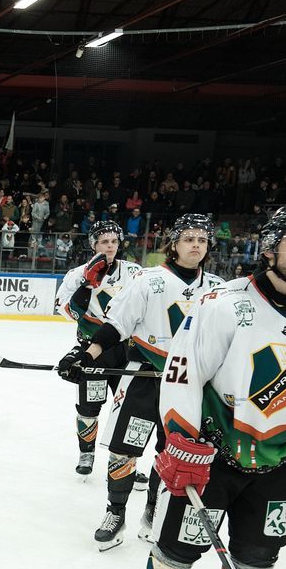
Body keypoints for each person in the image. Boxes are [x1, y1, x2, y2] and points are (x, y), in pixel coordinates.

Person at [132, 203, 286, 569]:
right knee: (178, 546)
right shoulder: (222, 303)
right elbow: (183, 373)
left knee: (259, 556)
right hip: (213, 455)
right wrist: (182, 443)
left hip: (278, 458)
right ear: (268, 249)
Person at [63, 215, 224, 551]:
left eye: (202, 240)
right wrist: (86, 355)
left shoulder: (217, 289)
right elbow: (116, 326)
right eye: (189, 239)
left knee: (170, 453)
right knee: (124, 449)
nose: (196, 245)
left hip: (189, 388)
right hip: (142, 377)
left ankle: (152, 511)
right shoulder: (149, 280)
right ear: (174, 244)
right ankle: (116, 512)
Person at [55, 220, 143, 476]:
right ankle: (87, 453)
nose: (110, 246)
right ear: (94, 245)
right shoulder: (77, 274)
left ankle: (126, 461)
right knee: (89, 408)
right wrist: (86, 286)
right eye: (104, 242)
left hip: (126, 352)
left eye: (114, 241)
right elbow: (66, 312)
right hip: (92, 351)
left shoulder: (135, 272)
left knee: (129, 409)